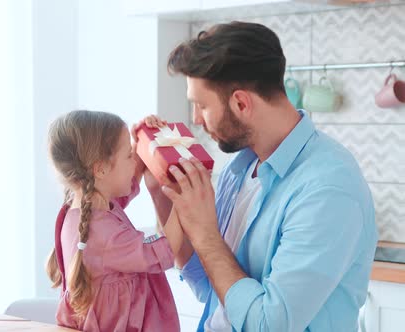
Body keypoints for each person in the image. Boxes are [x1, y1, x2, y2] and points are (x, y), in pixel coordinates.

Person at [142, 21, 378, 331]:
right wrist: (163, 194)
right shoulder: (239, 168)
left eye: (201, 106)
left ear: (241, 103)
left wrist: (206, 234)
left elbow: (268, 324)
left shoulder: (328, 188)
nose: (196, 120)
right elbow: (208, 285)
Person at [45, 110, 184, 331]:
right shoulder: (103, 235)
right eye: (129, 155)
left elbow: (122, 192)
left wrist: (141, 146)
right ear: (100, 169)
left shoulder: (84, 209)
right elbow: (161, 251)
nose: (134, 161)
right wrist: (184, 200)